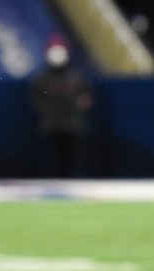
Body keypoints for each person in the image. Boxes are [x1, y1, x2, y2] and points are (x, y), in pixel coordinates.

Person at [29, 34, 93, 178]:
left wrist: (83, 103)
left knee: (73, 160)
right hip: (51, 126)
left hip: (73, 126)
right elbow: (37, 98)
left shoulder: (76, 76)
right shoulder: (42, 78)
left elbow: (86, 96)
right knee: (53, 160)